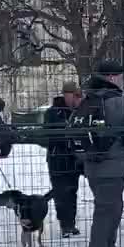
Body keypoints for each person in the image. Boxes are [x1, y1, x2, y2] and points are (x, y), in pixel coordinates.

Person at [77, 60, 124, 247]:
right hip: (114, 166)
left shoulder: (88, 100)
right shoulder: (121, 103)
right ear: (113, 78)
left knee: (108, 211)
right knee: (107, 214)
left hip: (93, 166)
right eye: (122, 76)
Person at [44, 82, 83, 237]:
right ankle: (65, 224)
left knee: (72, 191)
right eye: (73, 94)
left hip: (73, 158)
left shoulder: (78, 111)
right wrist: (68, 131)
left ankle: (71, 223)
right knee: (61, 193)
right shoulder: (53, 112)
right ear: (67, 94)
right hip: (57, 158)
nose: (74, 98)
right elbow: (50, 133)